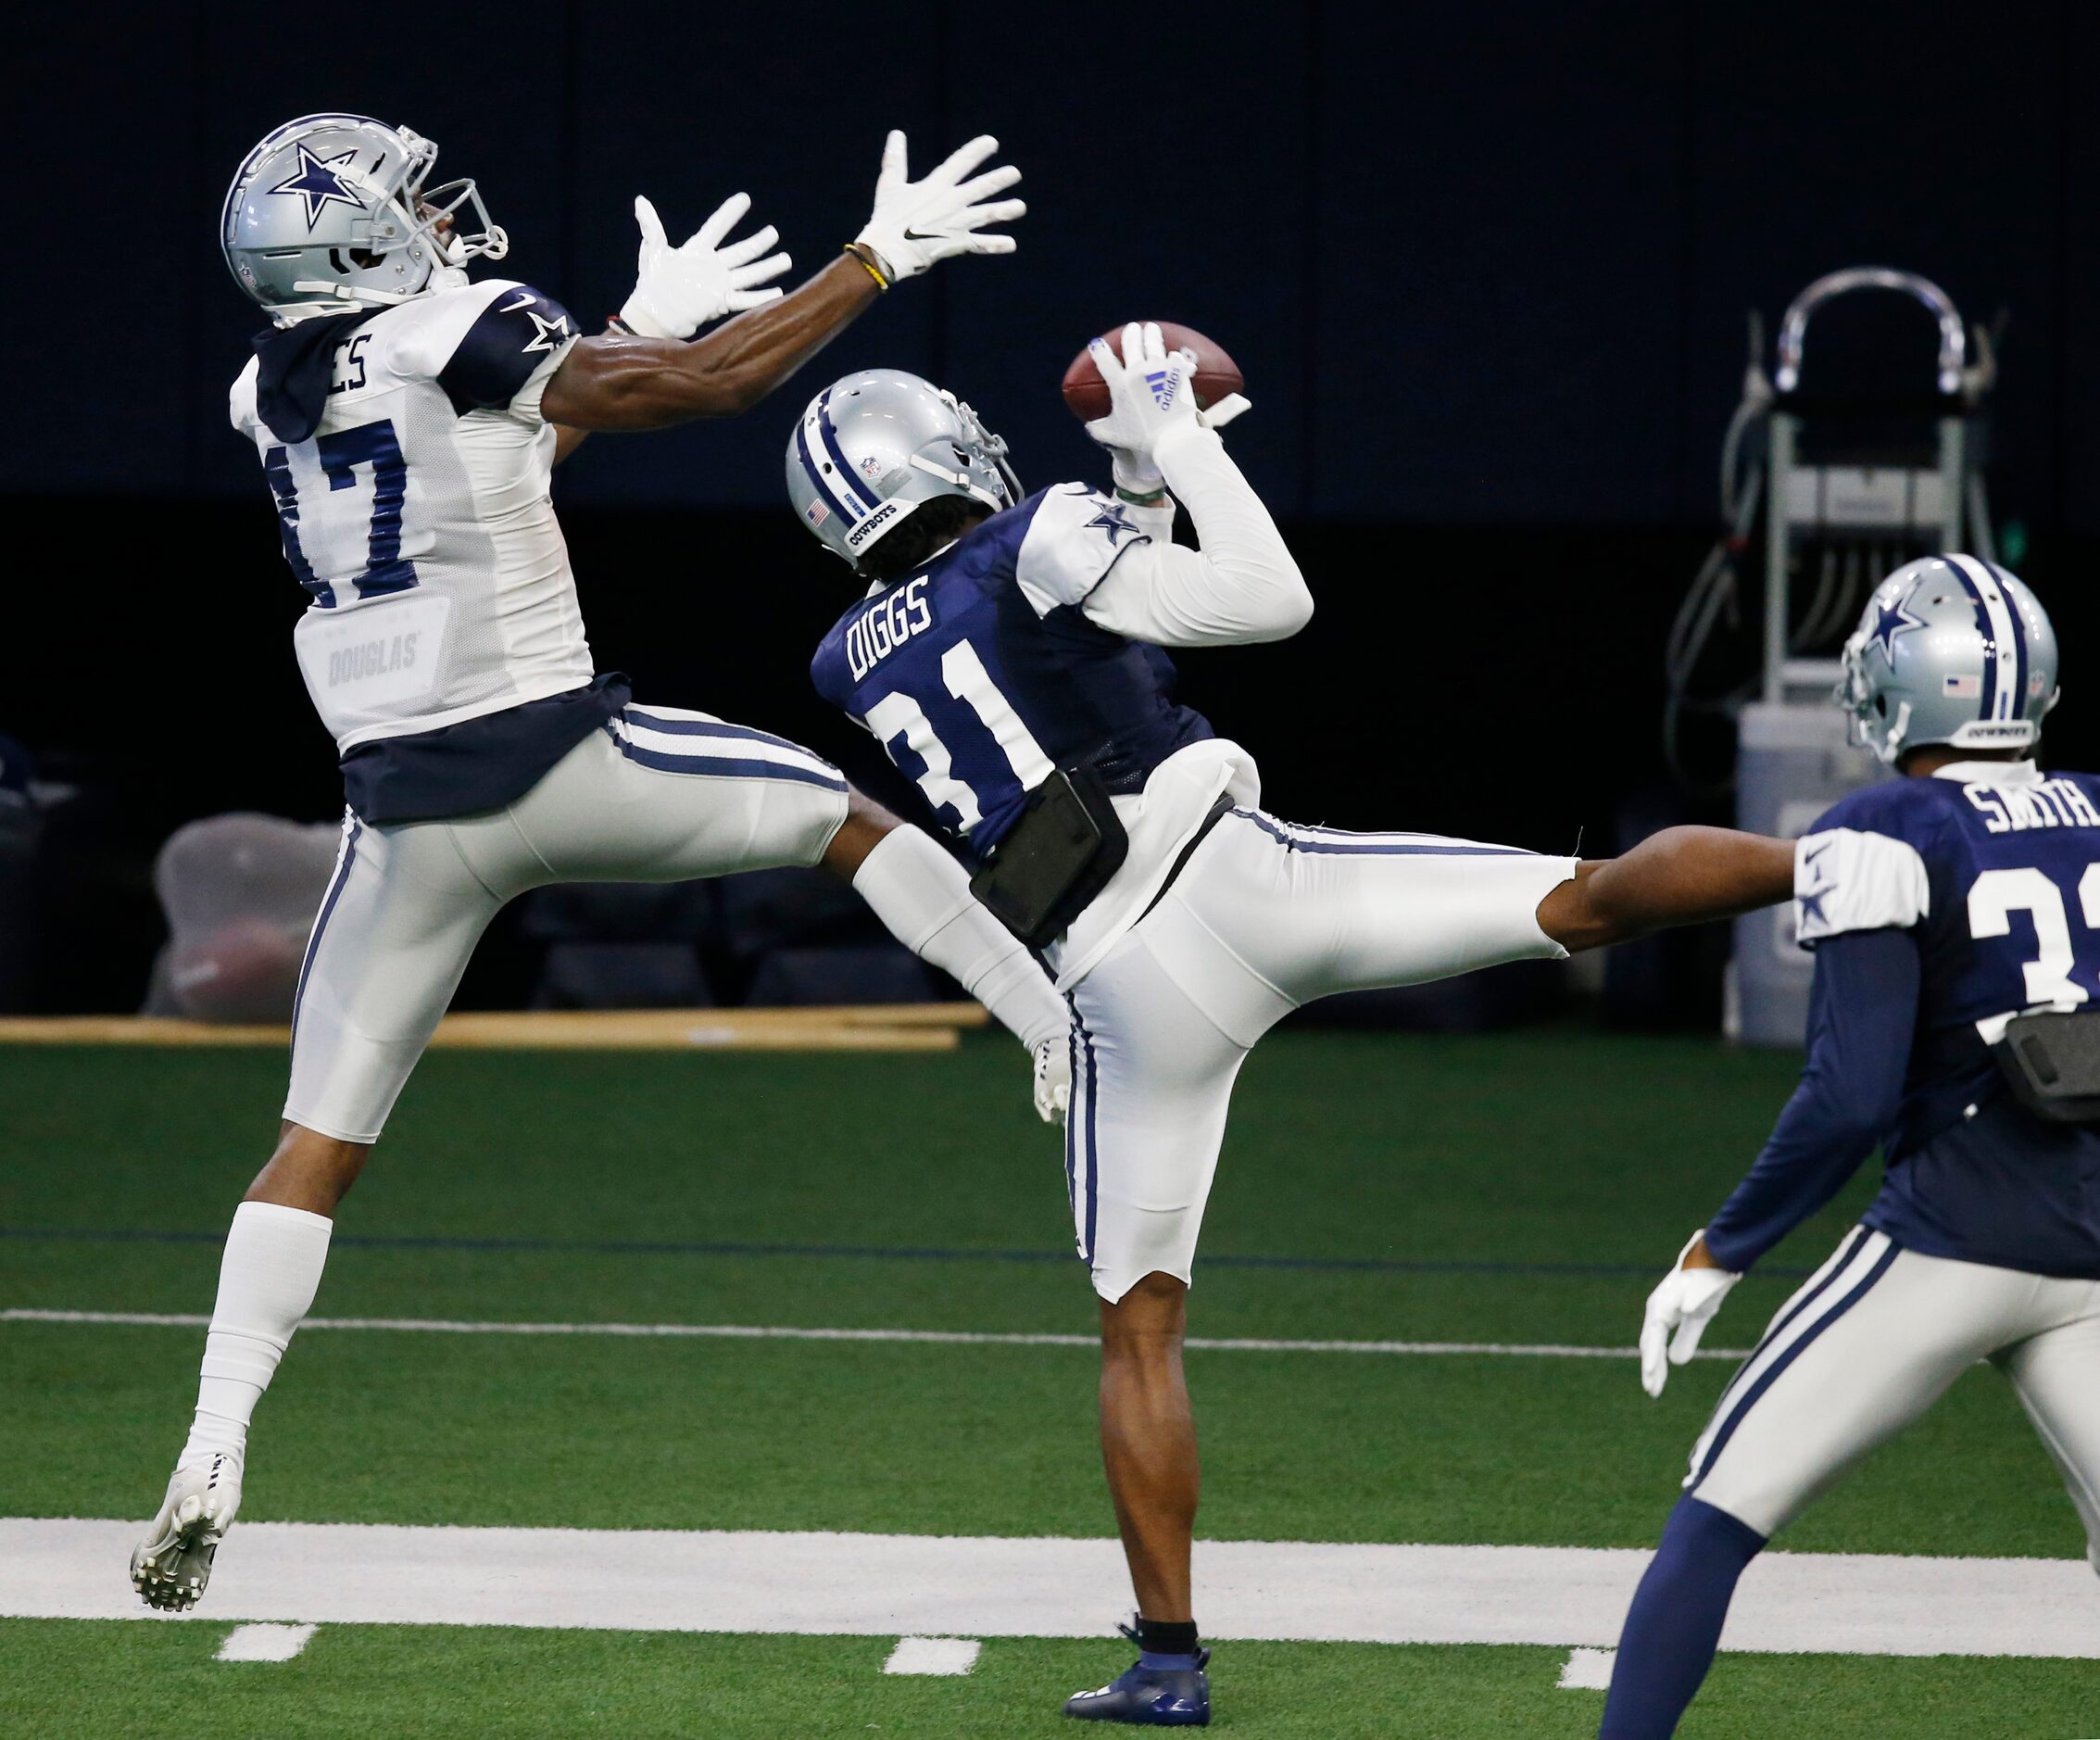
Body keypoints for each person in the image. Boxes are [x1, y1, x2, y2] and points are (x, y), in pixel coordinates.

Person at [785, 324, 1798, 1725]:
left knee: (1136, 1330)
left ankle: (1165, 1661)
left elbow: (1071, 637)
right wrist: (1179, 440)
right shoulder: (1038, 527)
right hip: (1234, 877)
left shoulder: (843, 657)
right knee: (1585, 901)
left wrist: (1142, 469)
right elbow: (1267, 600)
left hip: (1109, 986)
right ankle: (1868, 857)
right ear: (940, 446)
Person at [131, 113, 1068, 1613]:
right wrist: (871, 260)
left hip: (399, 824)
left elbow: (482, 463)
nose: (442, 213)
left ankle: (211, 1439)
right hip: (559, 762)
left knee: (315, 1144)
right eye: (412, 201)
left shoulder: (267, 386)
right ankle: (1047, 1025)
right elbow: (700, 390)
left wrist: (632, 321)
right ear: (358, 239)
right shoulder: (462, 321)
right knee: (848, 823)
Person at [1601, 556, 2100, 1738]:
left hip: (1945, 1242)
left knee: (1715, 1515)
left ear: (1901, 685)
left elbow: (1846, 1097)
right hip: (2089, 1251)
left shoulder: (1876, 828)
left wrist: (1720, 1249)